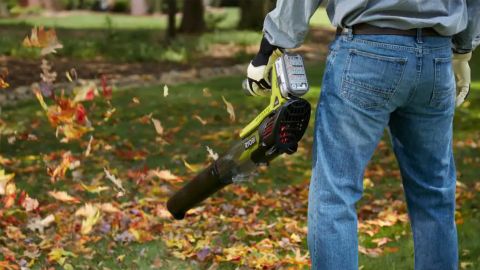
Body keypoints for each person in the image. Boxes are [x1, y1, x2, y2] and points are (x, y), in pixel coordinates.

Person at [246, 1, 479, 269]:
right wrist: (463, 49)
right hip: (436, 58)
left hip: (366, 50)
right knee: (434, 194)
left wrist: (271, 45)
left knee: (335, 192)